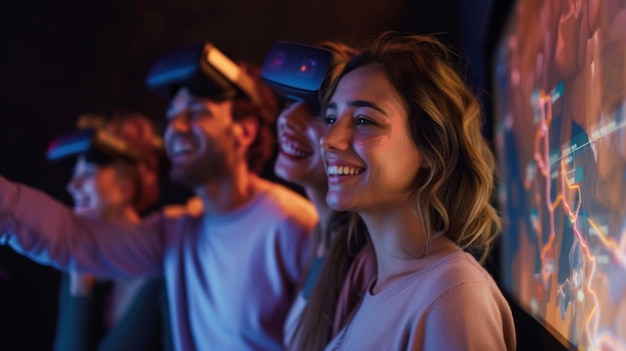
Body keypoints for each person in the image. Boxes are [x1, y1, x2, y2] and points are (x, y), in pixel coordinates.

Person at [0, 44, 317, 350]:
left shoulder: (293, 225)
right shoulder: (176, 234)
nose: (174, 127)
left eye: (195, 113)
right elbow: (73, 239)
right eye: (172, 114)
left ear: (244, 131)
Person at [318, 32, 516, 350]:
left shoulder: (453, 292)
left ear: (430, 147)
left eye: (364, 120)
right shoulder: (381, 285)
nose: (329, 139)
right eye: (331, 117)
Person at [262, 41, 377, 350]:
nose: (289, 119)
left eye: (321, 113)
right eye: (288, 102)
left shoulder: (367, 262)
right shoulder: (320, 237)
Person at [50, 113, 172, 351]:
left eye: (86, 175)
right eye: (74, 177)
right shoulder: (80, 268)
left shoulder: (164, 268)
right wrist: (79, 283)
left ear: (126, 187)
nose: (72, 186)